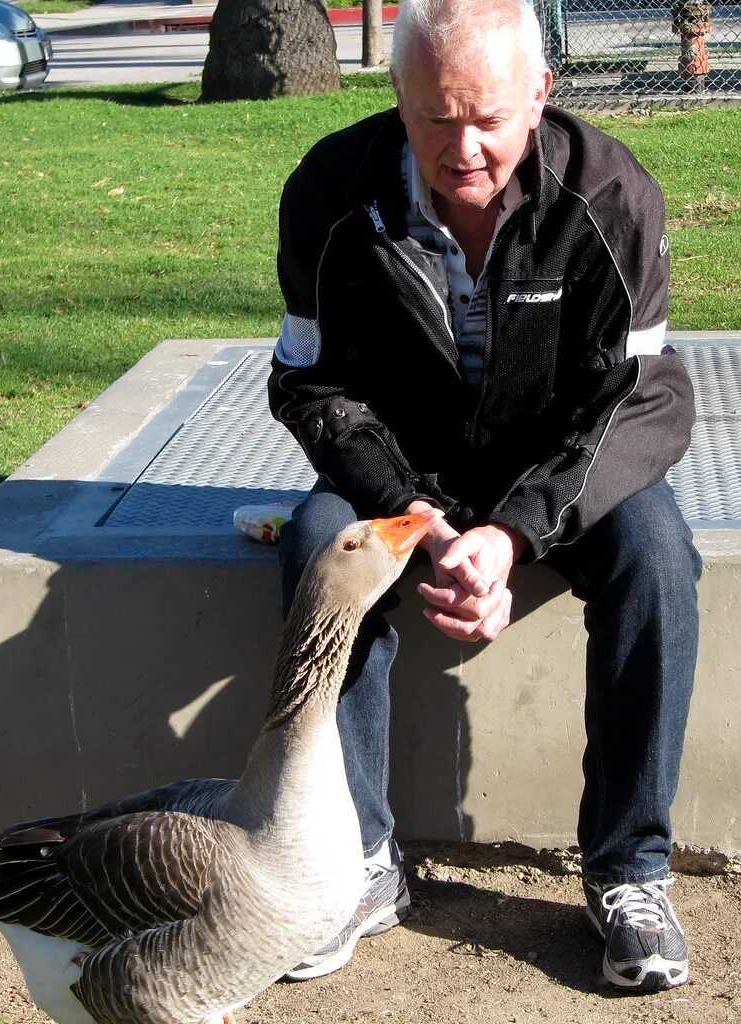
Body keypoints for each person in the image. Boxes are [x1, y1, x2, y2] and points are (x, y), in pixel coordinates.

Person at [268, 0, 700, 994]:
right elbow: (310, 383)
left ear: (539, 95)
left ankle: (629, 867)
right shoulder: (329, 191)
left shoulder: (612, 194)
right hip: (401, 480)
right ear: (398, 97)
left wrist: (508, 533)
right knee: (316, 546)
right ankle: (361, 861)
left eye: (489, 118)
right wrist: (422, 521)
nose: (462, 147)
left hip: (557, 478)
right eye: (433, 117)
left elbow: (644, 402)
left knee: (658, 555)